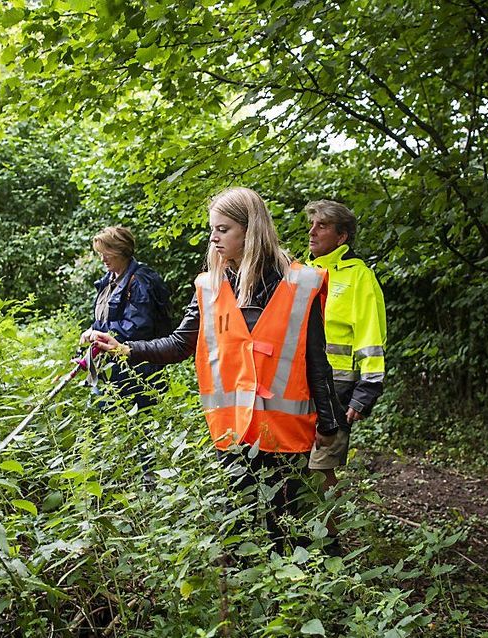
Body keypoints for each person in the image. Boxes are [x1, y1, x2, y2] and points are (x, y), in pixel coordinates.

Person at [84, 187, 342, 545]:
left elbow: (317, 360)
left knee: (288, 532)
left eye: (223, 229)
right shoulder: (210, 285)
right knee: (240, 535)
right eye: (212, 229)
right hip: (233, 435)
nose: (214, 238)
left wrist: (331, 423)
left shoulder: (299, 283)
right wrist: (124, 347)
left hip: (285, 436)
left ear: (250, 231)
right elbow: (178, 344)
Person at [305, 200, 387, 496]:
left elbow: (371, 336)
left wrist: (366, 392)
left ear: (342, 237)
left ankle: (332, 542)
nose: (312, 232)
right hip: (298, 387)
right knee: (297, 469)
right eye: (312, 225)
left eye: (322, 226)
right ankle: (301, 538)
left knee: (319, 471)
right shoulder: (303, 273)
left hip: (338, 389)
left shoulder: (359, 276)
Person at [79, 226, 170, 410]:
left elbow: (137, 327)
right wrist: (92, 330)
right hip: (110, 368)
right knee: (100, 421)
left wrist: (99, 332)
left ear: (121, 251)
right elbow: (106, 318)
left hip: (138, 369)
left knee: (137, 424)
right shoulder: (108, 280)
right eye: (100, 254)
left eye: (107, 253)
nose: (103, 259)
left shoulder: (140, 281)